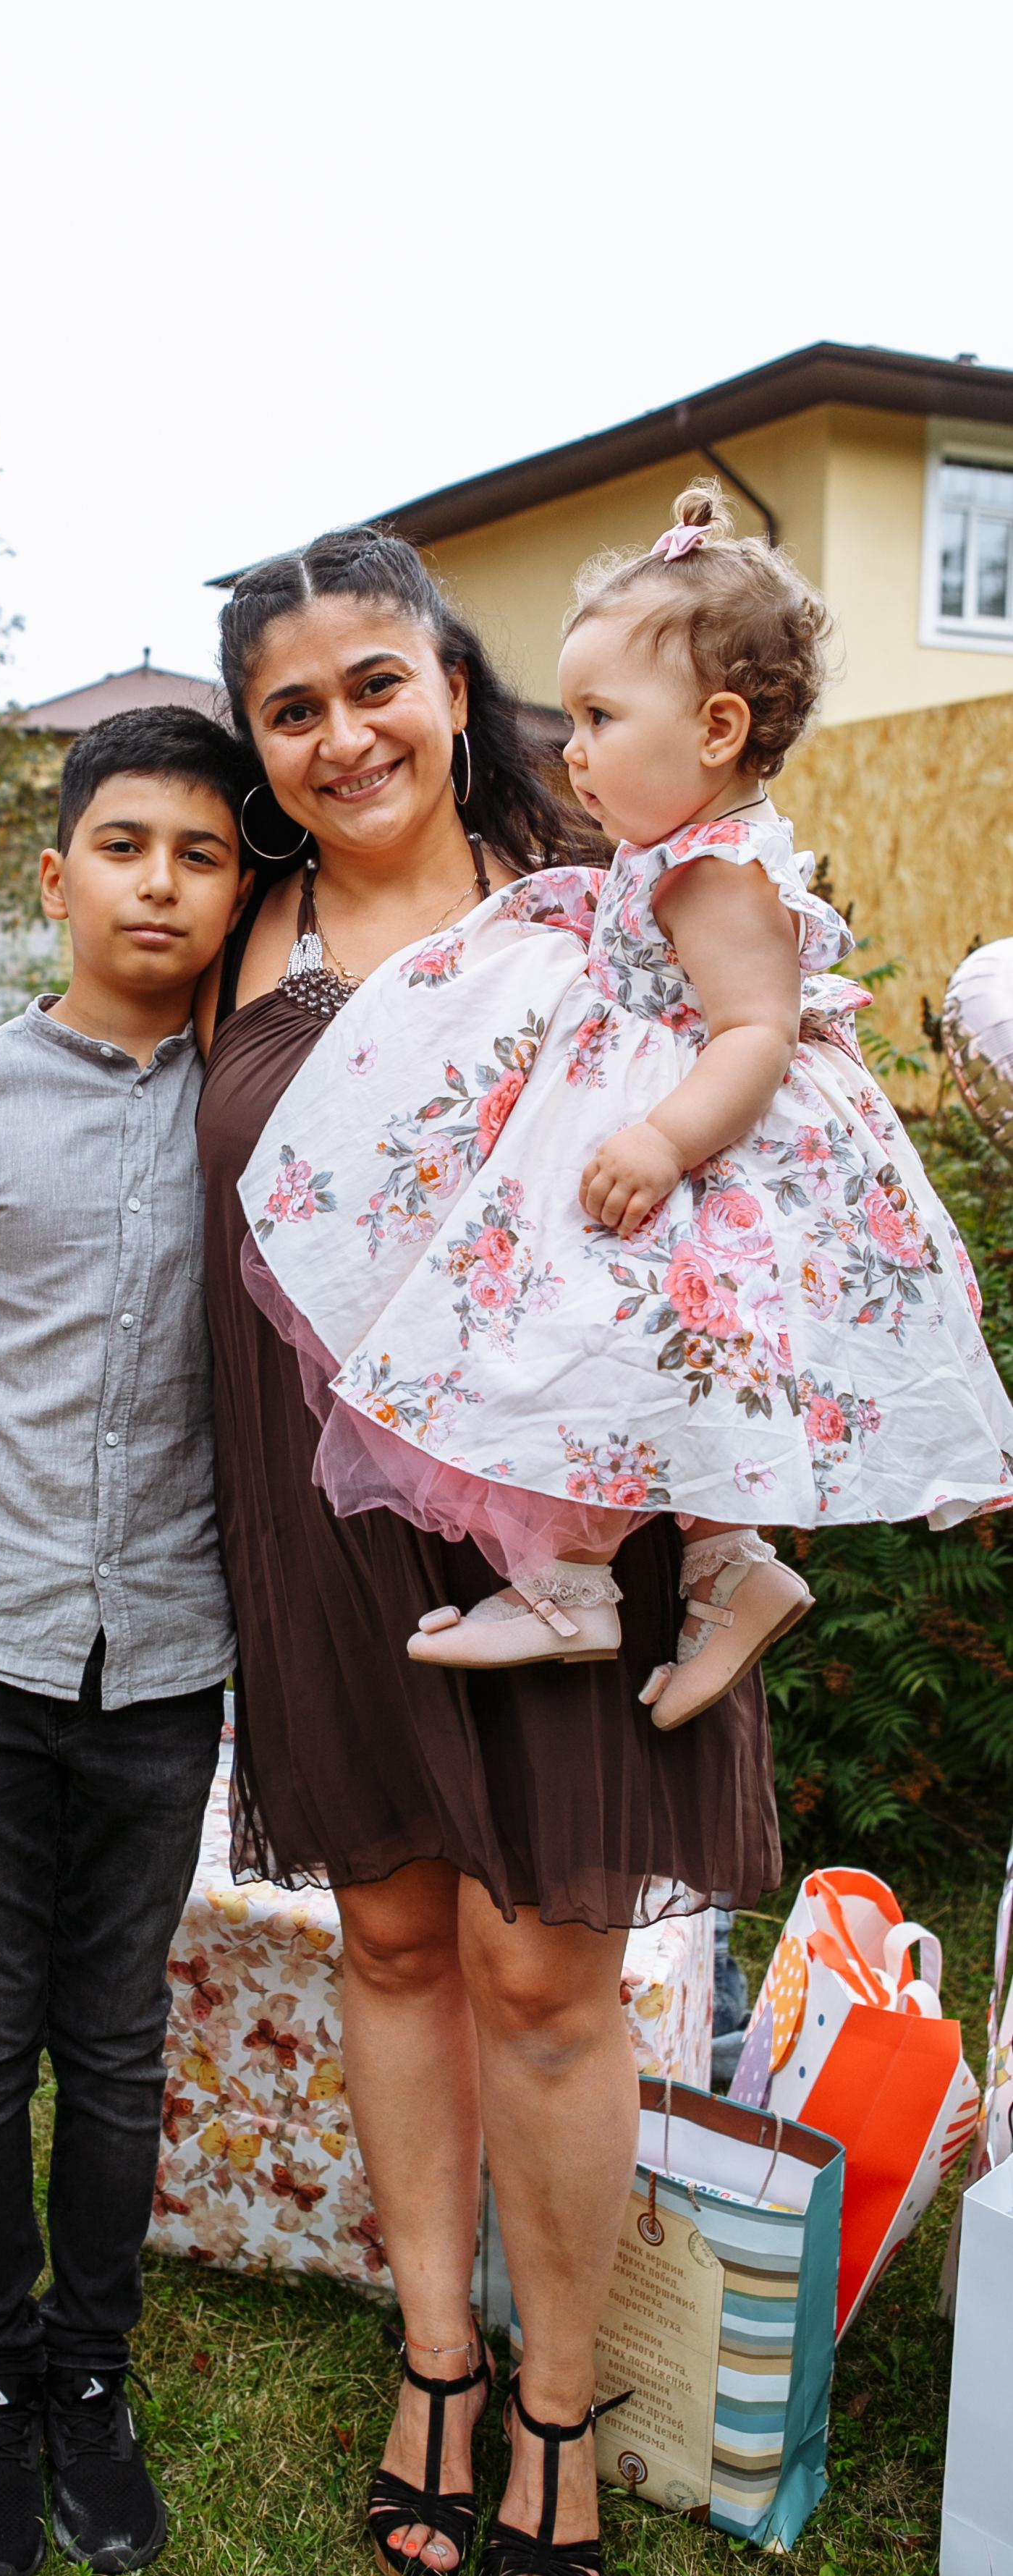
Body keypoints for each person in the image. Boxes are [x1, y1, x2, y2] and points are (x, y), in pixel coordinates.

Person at [196, 525, 779, 2576]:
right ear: (259, 748)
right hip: (318, 1509)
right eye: (294, 706)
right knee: (390, 1941)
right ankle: (429, 2347)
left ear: (456, 683)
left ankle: (552, 2396)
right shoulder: (228, 931)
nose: (343, 731)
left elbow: (756, 1075)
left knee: (547, 1965)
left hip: (558, 1504)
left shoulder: (598, 889)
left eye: (377, 681)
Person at [245, 483, 1013, 1724]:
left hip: (701, 1146)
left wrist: (660, 1136)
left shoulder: (718, 873)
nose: (575, 748)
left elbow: (757, 1032)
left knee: (591, 1338)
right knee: (636, 1360)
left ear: (716, 729)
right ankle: (722, 1572)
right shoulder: (676, 853)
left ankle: (581, 1584)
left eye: (601, 717)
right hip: (662, 1122)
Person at [0, 705, 254, 2576]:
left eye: (199, 849)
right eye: (125, 845)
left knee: (112, 2038)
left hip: (168, 1648)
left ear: (237, 882)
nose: (161, 881)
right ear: (54, 876)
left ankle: (89, 2380)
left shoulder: (257, 1105)